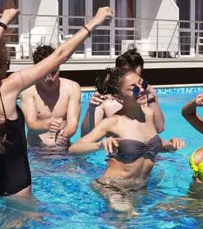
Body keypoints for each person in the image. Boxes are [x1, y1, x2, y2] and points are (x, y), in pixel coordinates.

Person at [0, 7, 114, 197]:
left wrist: (3, 23)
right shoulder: (8, 88)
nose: (7, 68)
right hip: (14, 178)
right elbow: (59, 56)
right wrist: (94, 23)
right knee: (28, 224)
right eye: (6, 63)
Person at [69, 67, 185, 212]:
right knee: (128, 215)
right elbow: (73, 149)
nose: (141, 90)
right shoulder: (113, 122)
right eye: (134, 89)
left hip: (141, 188)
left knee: (178, 210)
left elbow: (149, 143)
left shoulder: (148, 114)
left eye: (142, 84)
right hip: (113, 187)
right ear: (118, 97)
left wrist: (169, 145)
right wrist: (100, 145)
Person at [80, 49, 164, 136]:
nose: (141, 88)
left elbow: (159, 129)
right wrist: (91, 110)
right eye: (129, 76)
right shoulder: (106, 102)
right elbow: (86, 138)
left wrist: (152, 99)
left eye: (138, 77)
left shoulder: (147, 93)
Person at [20, 45, 81, 154]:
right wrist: (46, 126)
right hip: (37, 149)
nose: (50, 78)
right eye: (45, 73)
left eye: (54, 72)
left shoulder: (72, 88)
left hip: (62, 148)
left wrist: (64, 135)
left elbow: (73, 123)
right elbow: (30, 124)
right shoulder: (28, 90)